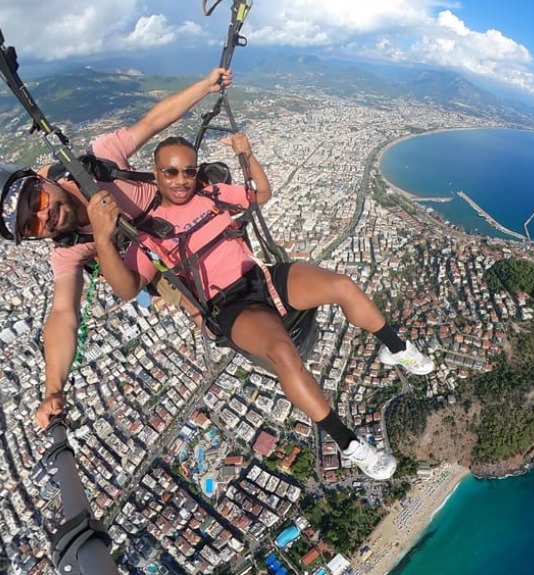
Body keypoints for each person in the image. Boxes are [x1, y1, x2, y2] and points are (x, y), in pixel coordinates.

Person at [87, 133, 434, 480]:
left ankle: (397, 348)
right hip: (229, 305)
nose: (181, 181)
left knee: (342, 285)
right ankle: (350, 444)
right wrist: (102, 238)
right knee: (282, 351)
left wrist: (248, 156)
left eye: (188, 171)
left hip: (261, 276)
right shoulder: (150, 234)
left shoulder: (212, 194)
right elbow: (129, 287)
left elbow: (260, 194)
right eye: (171, 172)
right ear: (156, 174)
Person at [0, 67, 233, 430]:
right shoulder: (69, 247)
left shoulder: (98, 164)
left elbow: (153, 121)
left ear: (41, 181)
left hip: (175, 210)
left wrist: (206, 85)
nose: (45, 215)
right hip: (155, 256)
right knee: (209, 319)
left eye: (38, 199)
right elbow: (63, 313)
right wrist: (52, 389)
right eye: (32, 225)